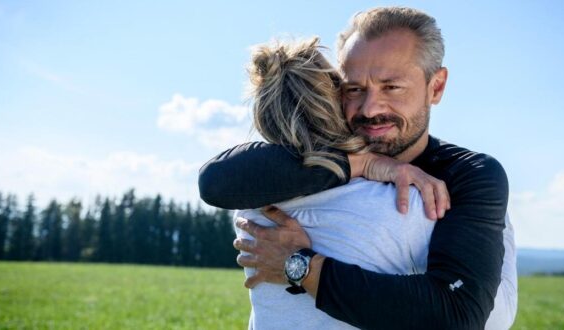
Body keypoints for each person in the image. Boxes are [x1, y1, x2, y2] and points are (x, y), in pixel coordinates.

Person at [199, 7, 516, 329]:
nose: (370, 108)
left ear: (435, 87)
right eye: (354, 89)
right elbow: (216, 183)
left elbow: (455, 314)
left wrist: (299, 266)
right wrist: (361, 163)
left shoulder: (468, 174)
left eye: (391, 87)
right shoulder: (314, 159)